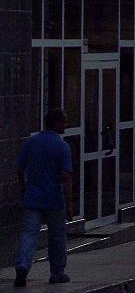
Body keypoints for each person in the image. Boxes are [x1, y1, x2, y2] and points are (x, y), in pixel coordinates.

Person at [14, 108, 74, 287]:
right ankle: (57, 273)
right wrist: (70, 204)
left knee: (29, 233)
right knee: (57, 236)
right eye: (64, 121)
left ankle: (22, 265)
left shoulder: (31, 142)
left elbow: (20, 168)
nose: (66, 125)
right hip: (54, 200)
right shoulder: (62, 146)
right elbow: (66, 177)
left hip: (32, 198)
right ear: (56, 123)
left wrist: (23, 188)